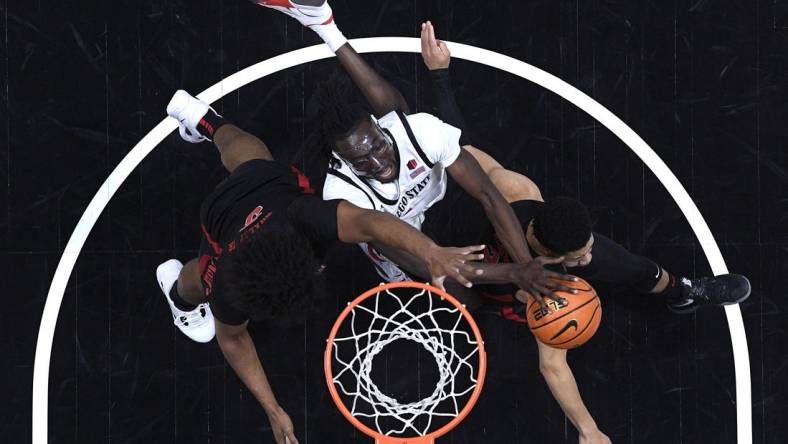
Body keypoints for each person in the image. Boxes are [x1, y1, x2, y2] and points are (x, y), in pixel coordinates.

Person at [400, 21, 750, 444]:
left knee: (637, 269)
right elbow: (553, 364)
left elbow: (463, 145)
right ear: (546, 252)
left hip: (510, 263)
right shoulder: (501, 211)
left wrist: (440, 75)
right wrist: (589, 430)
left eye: (585, 249)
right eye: (579, 257)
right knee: (461, 300)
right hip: (465, 260)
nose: (587, 259)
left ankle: (683, 292)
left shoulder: (523, 194)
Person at [157, 89, 488, 444]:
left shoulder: (307, 216)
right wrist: (273, 408)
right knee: (201, 270)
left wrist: (431, 252)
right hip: (225, 214)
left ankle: (205, 121)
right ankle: (178, 295)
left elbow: (373, 222)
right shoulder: (225, 284)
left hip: (269, 192)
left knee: (254, 164)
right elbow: (233, 340)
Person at [252, 0, 577, 306]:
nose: (379, 165)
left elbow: (489, 195)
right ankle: (323, 25)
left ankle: (326, 26)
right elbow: (422, 263)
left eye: (378, 146)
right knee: (464, 300)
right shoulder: (343, 193)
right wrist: (513, 273)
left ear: (382, 127)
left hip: (441, 206)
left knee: (412, 126)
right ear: (343, 162)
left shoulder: (418, 130)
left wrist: (526, 267)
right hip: (402, 241)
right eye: (361, 162)